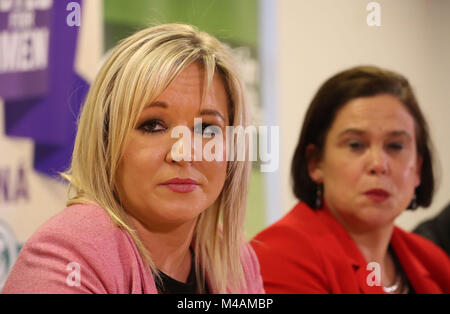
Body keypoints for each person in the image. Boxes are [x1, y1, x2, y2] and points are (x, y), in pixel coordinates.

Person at [3, 24, 264, 294]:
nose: (184, 153)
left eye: (207, 129)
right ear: (106, 141)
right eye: (153, 125)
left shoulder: (236, 260)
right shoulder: (66, 253)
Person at [251, 65, 450, 294]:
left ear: (418, 169)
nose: (378, 164)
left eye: (395, 146)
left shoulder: (433, 261)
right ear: (315, 163)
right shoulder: (278, 256)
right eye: (356, 145)